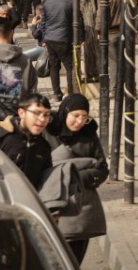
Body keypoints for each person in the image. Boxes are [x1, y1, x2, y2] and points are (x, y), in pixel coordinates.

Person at [44, 94, 108, 264]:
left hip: (79, 210)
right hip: (50, 206)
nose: (80, 121)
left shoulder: (89, 135)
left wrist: (76, 177)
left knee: (73, 261)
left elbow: (102, 170)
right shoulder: (48, 132)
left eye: (84, 116)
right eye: (76, 115)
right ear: (65, 112)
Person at [0, 93, 53, 189]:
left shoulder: (44, 147)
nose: (42, 119)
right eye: (36, 113)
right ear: (21, 113)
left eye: (46, 115)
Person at [38, 0, 78, 102]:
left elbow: (43, 22)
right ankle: (71, 93)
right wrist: (80, 37)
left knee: (54, 66)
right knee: (69, 67)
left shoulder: (47, 2)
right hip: (64, 38)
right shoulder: (72, 1)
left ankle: (57, 93)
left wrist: (44, 37)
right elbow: (78, 21)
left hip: (50, 38)